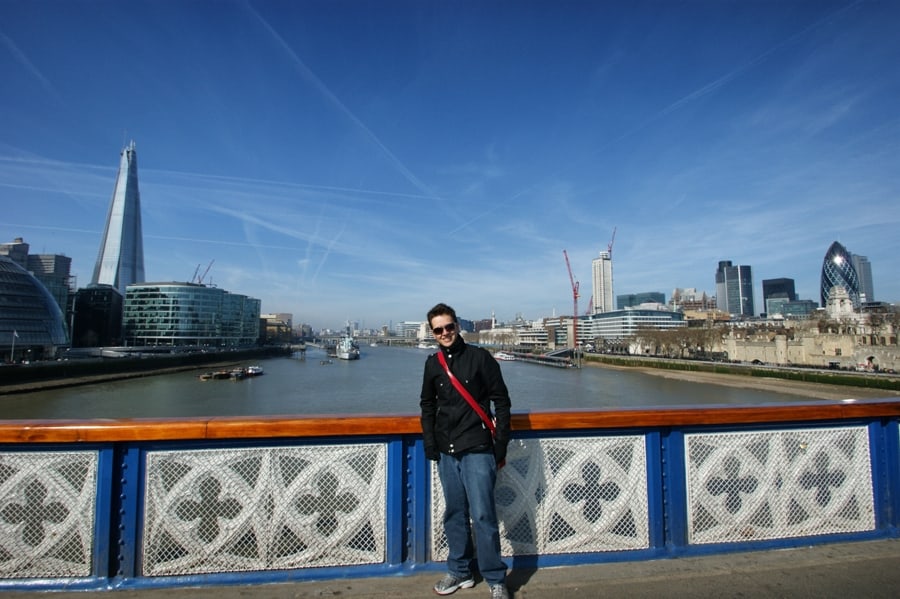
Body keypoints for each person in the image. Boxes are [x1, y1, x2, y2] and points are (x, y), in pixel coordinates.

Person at [419, 303, 511, 599]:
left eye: (449, 327)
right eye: (438, 329)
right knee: (454, 513)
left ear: (457, 326)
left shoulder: (480, 359)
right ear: (432, 333)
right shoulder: (433, 364)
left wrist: (499, 446)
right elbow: (428, 405)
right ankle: (460, 571)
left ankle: (495, 578)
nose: (445, 333)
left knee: (483, 515)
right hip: (447, 450)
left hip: (478, 447)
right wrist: (431, 444)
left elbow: (502, 401)